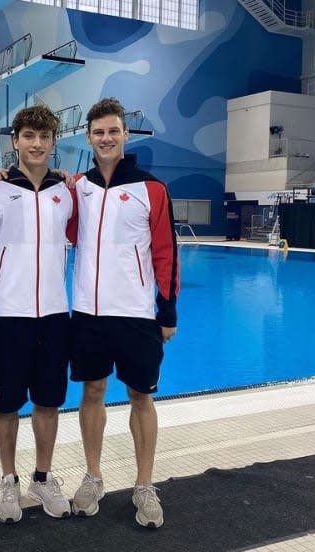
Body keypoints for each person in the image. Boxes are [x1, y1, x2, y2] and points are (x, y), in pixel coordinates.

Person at [70, 97, 179, 528]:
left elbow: (166, 253)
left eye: (113, 131)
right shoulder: (78, 187)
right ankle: (94, 476)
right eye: (98, 132)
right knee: (92, 392)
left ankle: (144, 485)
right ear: (88, 137)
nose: (106, 138)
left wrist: (166, 311)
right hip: (88, 313)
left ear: (124, 134)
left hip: (135, 313)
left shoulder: (151, 189)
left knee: (141, 396)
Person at [0, 105, 77, 524]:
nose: (36, 144)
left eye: (44, 137)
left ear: (54, 142)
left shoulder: (66, 191)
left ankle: (42, 476)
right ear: (15, 140)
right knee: (6, 406)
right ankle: (7, 480)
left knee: (49, 402)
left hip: (55, 314)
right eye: (28, 136)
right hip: (8, 315)